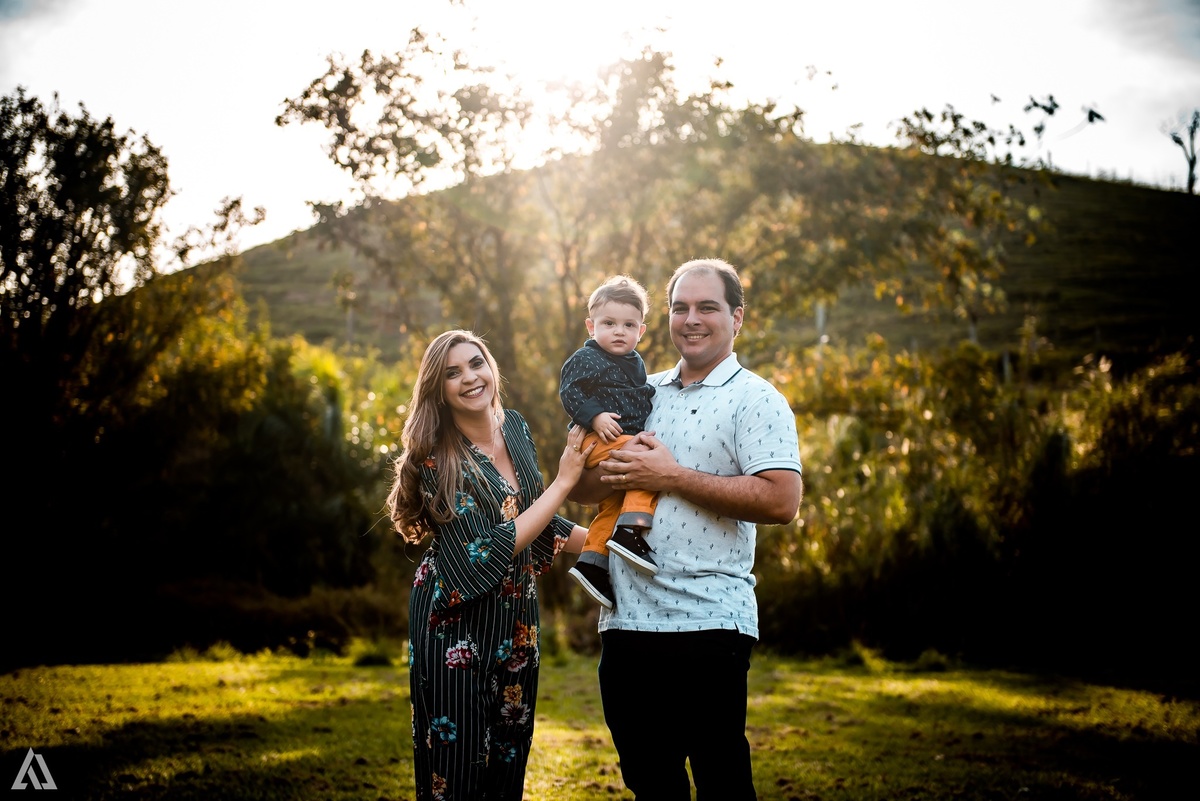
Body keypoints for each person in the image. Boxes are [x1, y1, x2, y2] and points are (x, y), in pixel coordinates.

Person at [570, 258, 804, 801]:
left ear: (736, 317)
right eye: (680, 308)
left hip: (709, 625)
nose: (691, 319)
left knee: (722, 782)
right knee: (652, 785)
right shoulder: (637, 391)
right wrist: (592, 460)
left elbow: (781, 499)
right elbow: (585, 490)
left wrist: (670, 476)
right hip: (625, 624)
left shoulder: (757, 398)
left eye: (707, 307)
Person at [386, 329, 592, 801]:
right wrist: (563, 483)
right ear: (438, 389)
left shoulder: (515, 428)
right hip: (453, 618)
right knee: (454, 765)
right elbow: (482, 552)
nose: (470, 378)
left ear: (491, 366)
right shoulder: (438, 456)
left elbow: (532, 517)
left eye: (476, 363)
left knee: (510, 751)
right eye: (452, 373)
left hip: (516, 613)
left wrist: (607, 546)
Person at [559, 275, 659, 609]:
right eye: (609, 323)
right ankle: (633, 532)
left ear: (641, 331)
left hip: (618, 439)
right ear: (591, 326)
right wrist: (595, 416)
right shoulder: (587, 358)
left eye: (629, 324)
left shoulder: (635, 363)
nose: (619, 331)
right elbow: (569, 391)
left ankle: (592, 562)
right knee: (645, 463)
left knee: (614, 504)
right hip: (598, 436)